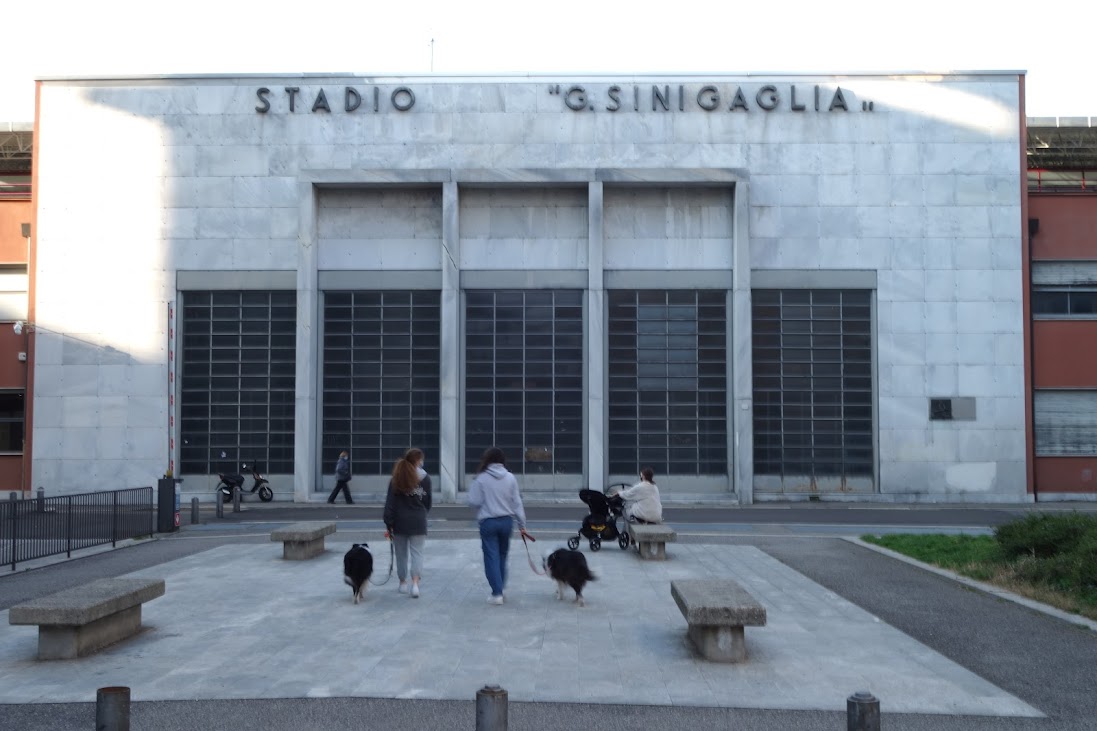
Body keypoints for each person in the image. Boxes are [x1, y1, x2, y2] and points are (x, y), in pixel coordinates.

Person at [466, 447, 529, 605]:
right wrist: (522, 524)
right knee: (502, 556)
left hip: (488, 521)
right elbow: (517, 503)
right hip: (507, 521)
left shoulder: (481, 478)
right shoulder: (510, 478)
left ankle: (497, 592)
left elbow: (473, 501)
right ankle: (501, 587)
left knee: (491, 557)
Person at [383, 448, 432, 598]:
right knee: (417, 553)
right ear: (418, 461)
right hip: (418, 520)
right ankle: (415, 584)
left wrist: (388, 522)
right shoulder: (425, 478)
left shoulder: (396, 478)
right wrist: (422, 512)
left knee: (401, 554)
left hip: (399, 522)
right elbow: (427, 502)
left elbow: (390, 503)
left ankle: (403, 582)